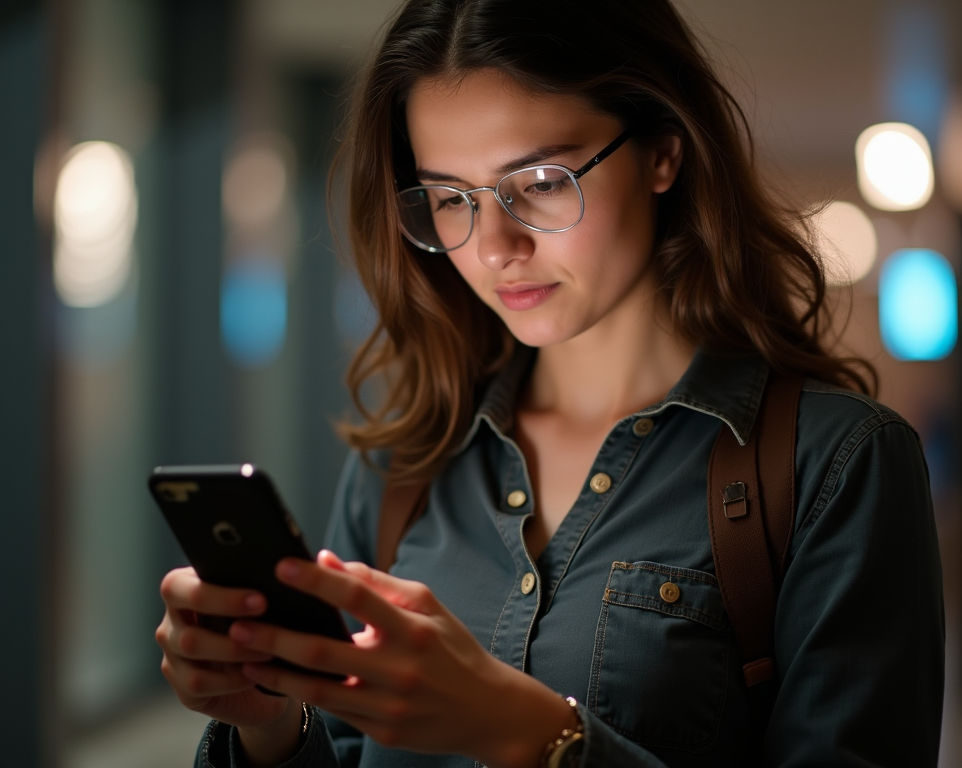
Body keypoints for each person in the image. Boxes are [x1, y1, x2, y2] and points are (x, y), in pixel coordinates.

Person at [155, 1, 945, 766]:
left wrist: (534, 737)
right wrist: (270, 726)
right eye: (449, 197)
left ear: (664, 151)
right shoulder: (407, 465)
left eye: (537, 181)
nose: (495, 246)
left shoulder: (835, 464)